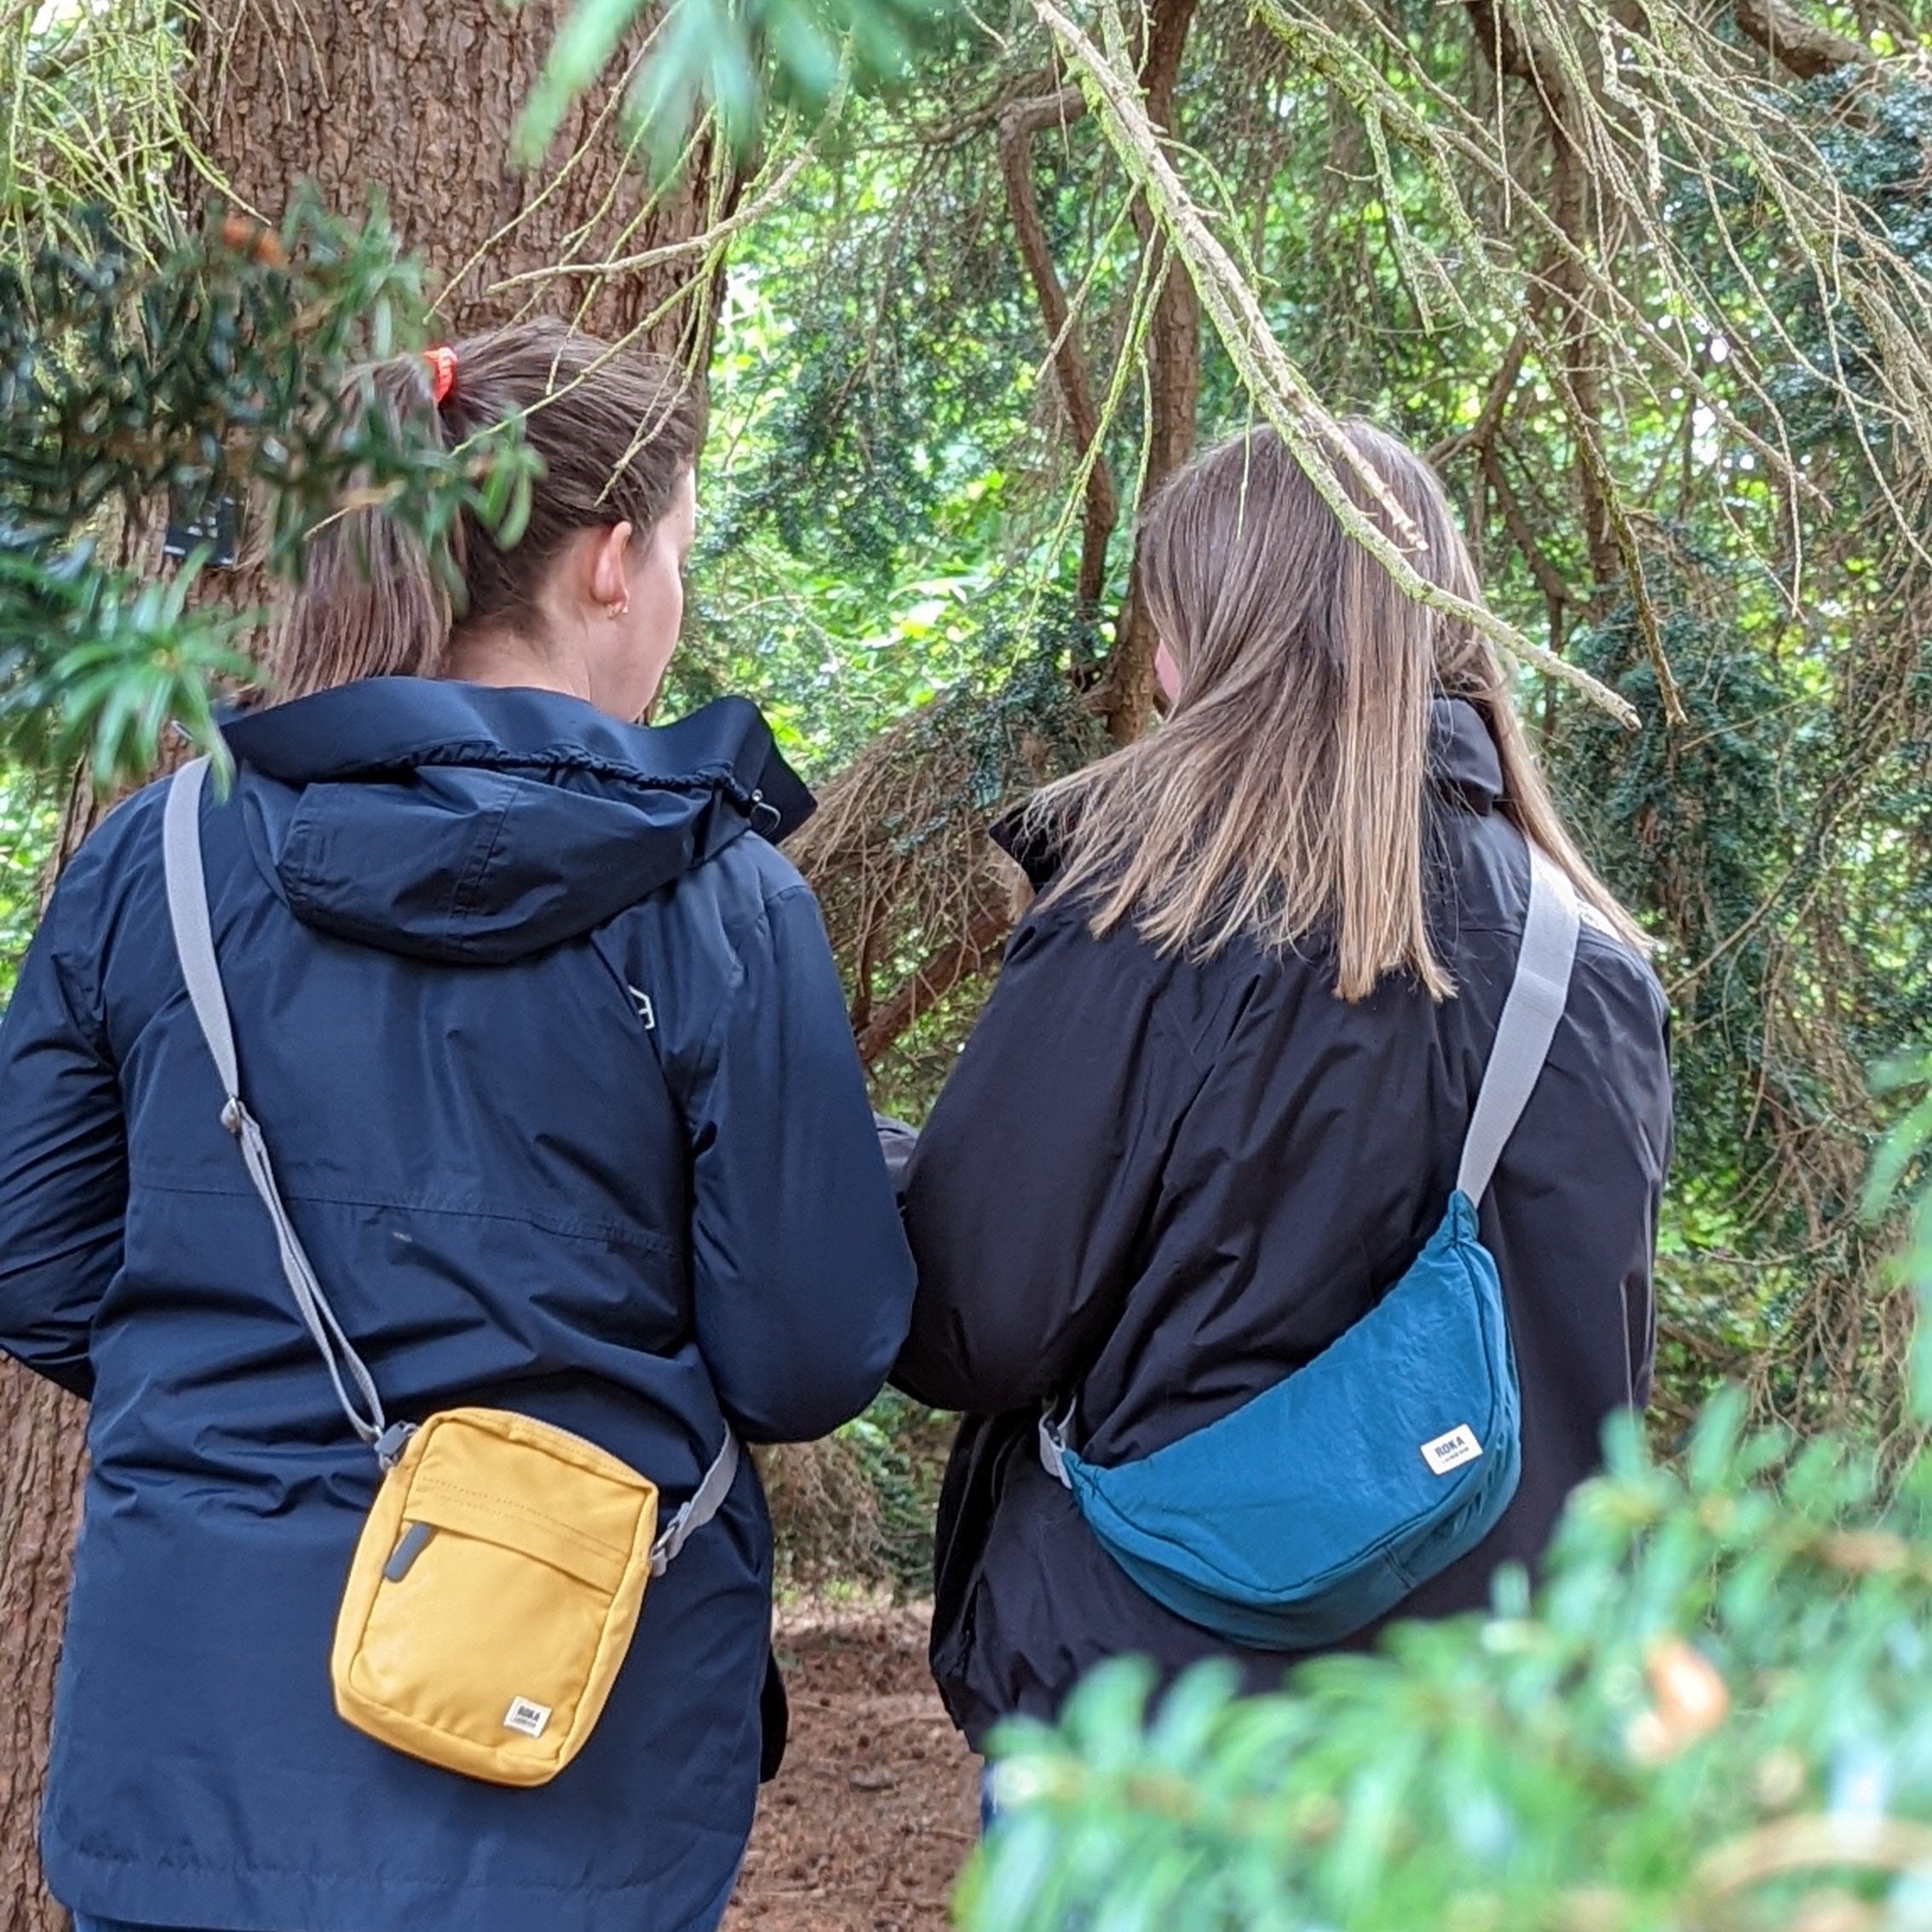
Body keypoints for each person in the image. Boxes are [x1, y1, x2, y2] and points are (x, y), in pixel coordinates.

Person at [0, 319, 917, 1932]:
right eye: (682, 554)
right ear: (614, 567)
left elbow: (34, 1261)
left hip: (196, 1748)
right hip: (568, 1737)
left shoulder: (159, 866)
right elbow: (806, 1353)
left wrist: (237, 1392)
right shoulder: (722, 906)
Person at [893, 421, 1672, 1758]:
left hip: (1160, 1718)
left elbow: (978, 1322)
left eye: (1173, 624)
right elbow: (1591, 1377)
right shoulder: (1591, 960)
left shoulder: (1158, 912)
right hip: (1469, 1749)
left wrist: (887, 1167)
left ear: (1235, 637)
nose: (1153, 671)